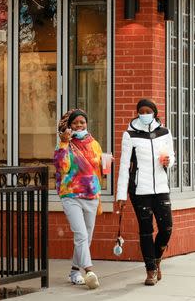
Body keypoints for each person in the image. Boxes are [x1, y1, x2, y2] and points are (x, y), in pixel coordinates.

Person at [115, 99, 175, 286]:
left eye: (148, 110)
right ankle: (150, 270)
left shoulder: (164, 132)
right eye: (141, 111)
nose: (145, 113)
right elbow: (124, 166)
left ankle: (156, 259)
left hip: (161, 187)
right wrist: (121, 195)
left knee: (166, 228)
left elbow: (171, 156)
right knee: (146, 230)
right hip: (140, 189)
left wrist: (169, 162)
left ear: (155, 113)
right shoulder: (130, 134)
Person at [54, 108, 102, 289]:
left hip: (91, 194)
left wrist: (106, 163)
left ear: (86, 124)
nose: (79, 125)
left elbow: (97, 168)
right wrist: (64, 143)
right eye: (75, 123)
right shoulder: (64, 144)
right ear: (69, 126)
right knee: (81, 234)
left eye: (82, 122)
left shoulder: (94, 143)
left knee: (86, 237)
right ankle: (89, 271)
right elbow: (61, 166)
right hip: (71, 194)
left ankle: (75, 271)